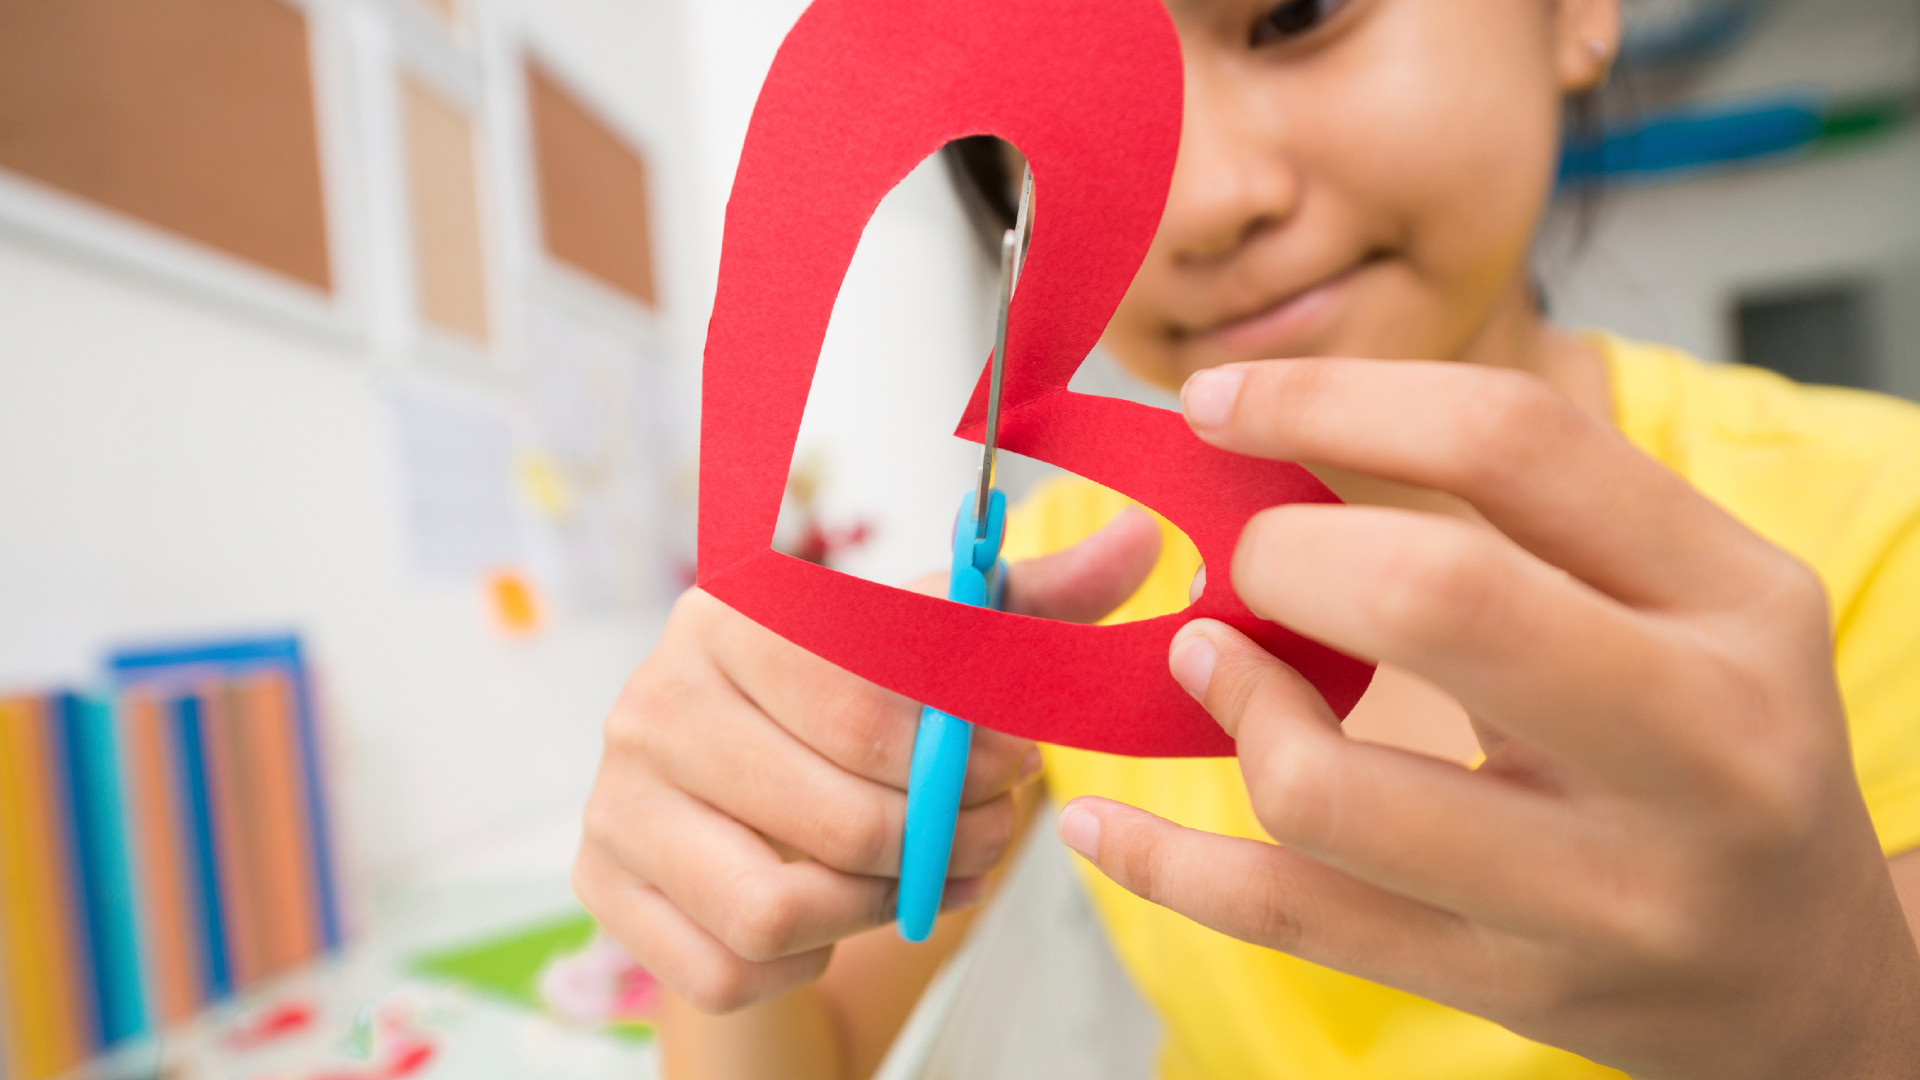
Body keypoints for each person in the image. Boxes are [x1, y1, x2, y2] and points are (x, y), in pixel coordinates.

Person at [571, 0, 1920, 1076]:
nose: (1208, 197)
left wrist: (1840, 1029)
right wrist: (724, 901)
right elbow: (823, 1045)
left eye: (1295, 16)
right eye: (1077, 112)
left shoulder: (1882, 527)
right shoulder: (1066, 578)